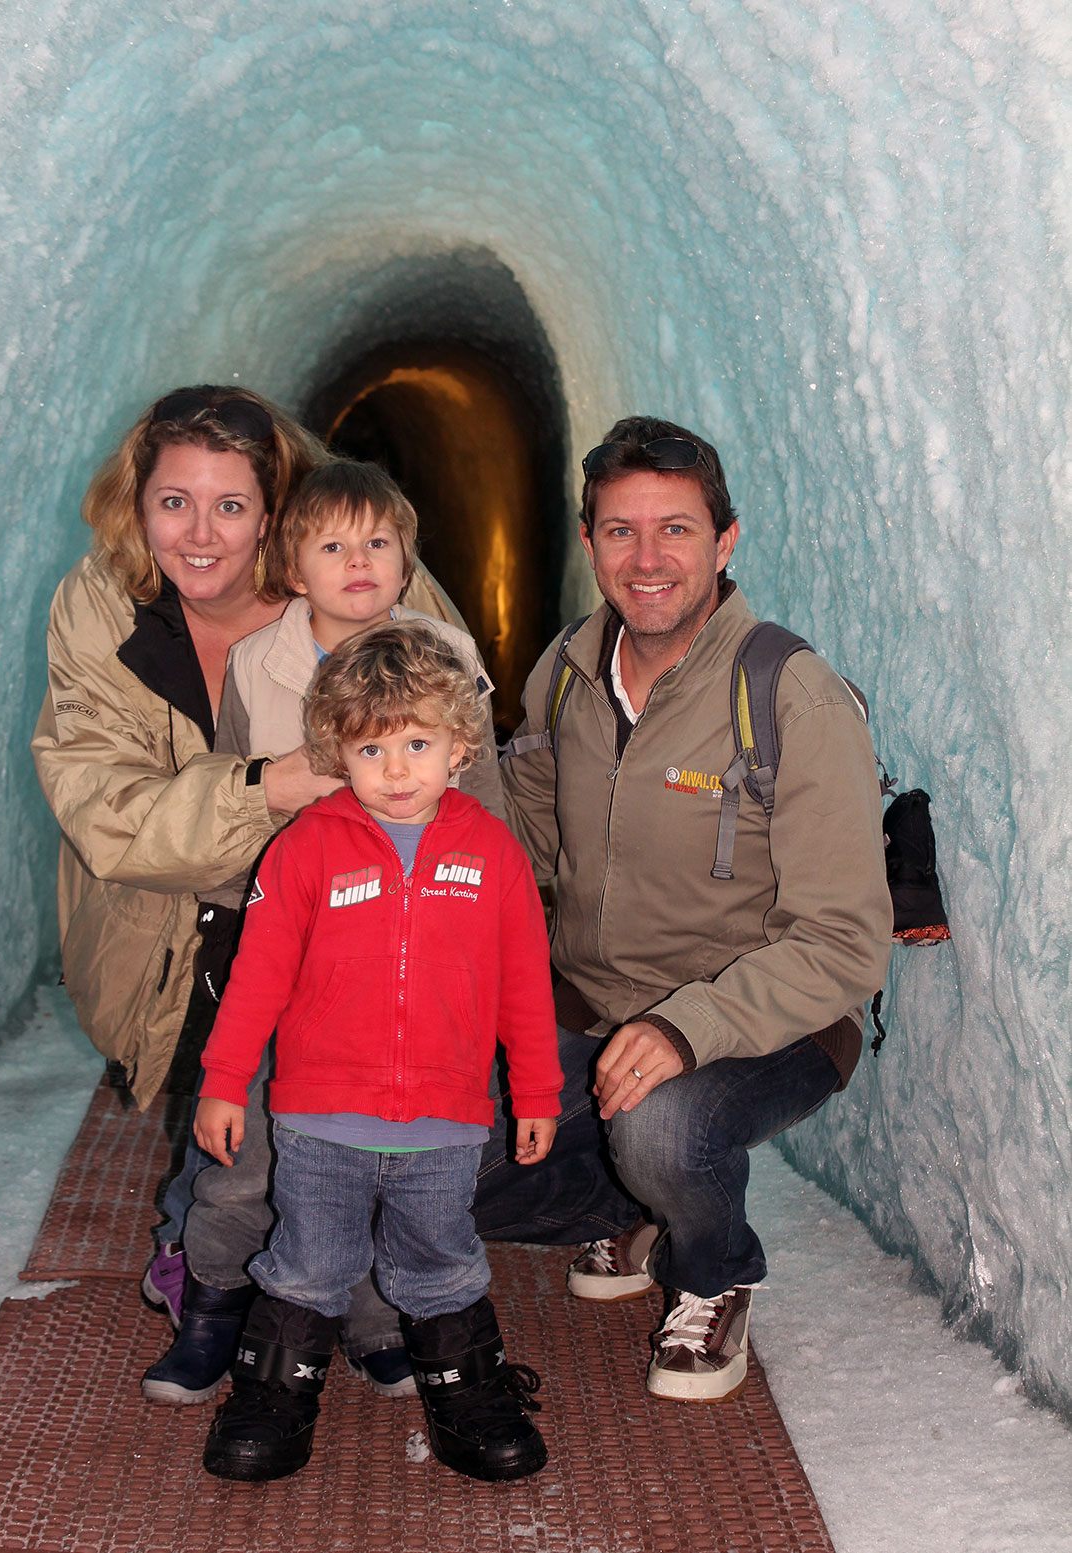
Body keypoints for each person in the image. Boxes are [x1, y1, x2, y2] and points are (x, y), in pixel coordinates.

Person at [30, 385, 466, 1330]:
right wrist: (267, 786)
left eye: (230, 505)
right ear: (134, 504)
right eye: (172, 501)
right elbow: (103, 807)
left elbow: (453, 739)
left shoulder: (360, 571)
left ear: (274, 514)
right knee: (255, 1096)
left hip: (354, 908)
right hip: (172, 928)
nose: (199, 534)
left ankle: (326, 1268)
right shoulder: (100, 605)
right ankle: (218, 1254)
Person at [482, 415, 893, 1403]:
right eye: (620, 530)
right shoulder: (566, 674)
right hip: (591, 1011)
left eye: (675, 528)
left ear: (725, 539)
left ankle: (711, 1269)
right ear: (588, 543)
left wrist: (684, 1026)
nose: (647, 557)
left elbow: (844, 941)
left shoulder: (790, 694)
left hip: (763, 1023)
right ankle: (629, 1201)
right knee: (436, 1163)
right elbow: (520, 849)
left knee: (662, 1127)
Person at [142, 457, 507, 1404]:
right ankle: (216, 1305)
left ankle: (376, 1318)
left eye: (378, 543)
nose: (359, 562)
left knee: (386, 1143)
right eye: (332, 545)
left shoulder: (447, 653)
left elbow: (488, 808)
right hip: (285, 938)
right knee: (249, 1143)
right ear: (291, 565)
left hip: (406, 952)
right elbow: (228, 796)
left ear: (405, 558)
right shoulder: (261, 663)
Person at [195, 621, 561, 1484]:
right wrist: (222, 1081)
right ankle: (271, 1399)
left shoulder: (494, 855)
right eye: (370, 749)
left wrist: (537, 1092)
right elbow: (257, 977)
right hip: (321, 1117)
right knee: (309, 1260)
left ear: (461, 745)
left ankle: (468, 1396)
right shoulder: (307, 847)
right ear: (336, 753)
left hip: (446, 1117)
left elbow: (524, 986)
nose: (396, 771)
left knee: (439, 1260)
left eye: (418, 743)